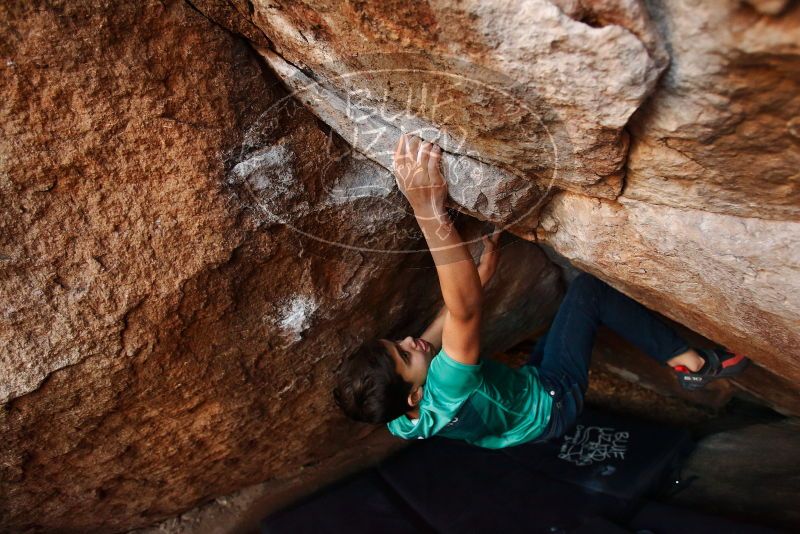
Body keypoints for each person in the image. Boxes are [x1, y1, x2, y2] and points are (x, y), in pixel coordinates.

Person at [333, 134, 749, 448]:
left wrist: (482, 278)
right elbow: (463, 313)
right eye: (404, 354)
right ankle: (692, 364)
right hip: (551, 401)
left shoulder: (397, 415)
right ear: (418, 393)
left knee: (566, 319)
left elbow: (441, 328)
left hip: (520, 414)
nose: (410, 340)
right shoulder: (445, 388)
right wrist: (426, 208)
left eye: (396, 342)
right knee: (588, 292)